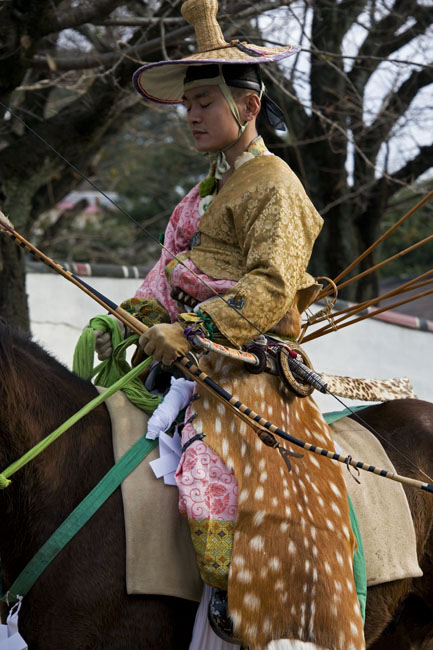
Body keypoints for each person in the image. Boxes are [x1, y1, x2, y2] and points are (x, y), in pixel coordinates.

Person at [95, 1, 366, 648]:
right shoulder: (205, 191)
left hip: (246, 364)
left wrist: (193, 331)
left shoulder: (276, 186)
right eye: (185, 102)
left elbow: (269, 288)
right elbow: (170, 273)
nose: (189, 115)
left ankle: (241, 611)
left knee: (207, 481)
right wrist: (132, 319)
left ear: (246, 108)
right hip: (180, 358)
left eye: (204, 102)